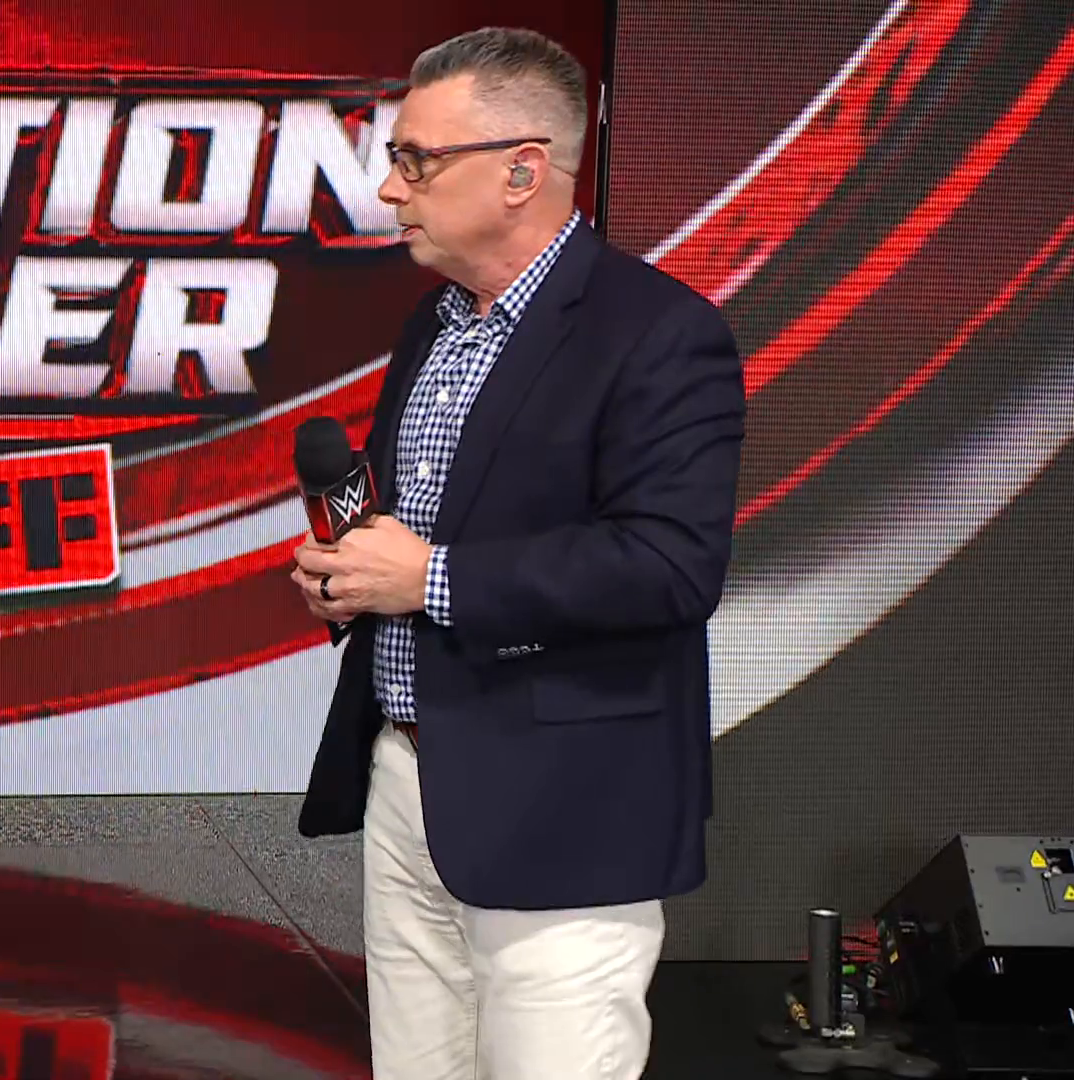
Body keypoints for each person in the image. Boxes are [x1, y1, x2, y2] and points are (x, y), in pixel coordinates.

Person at [289, 27, 746, 1080]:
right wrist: (354, 578)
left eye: (416, 161)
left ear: (522, 172)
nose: (390, 190)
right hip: (409, 782)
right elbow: (420, 524)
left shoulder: (658, 334)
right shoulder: (433, 325)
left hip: (565, 815)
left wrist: (429, 579)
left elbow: (671, 565)